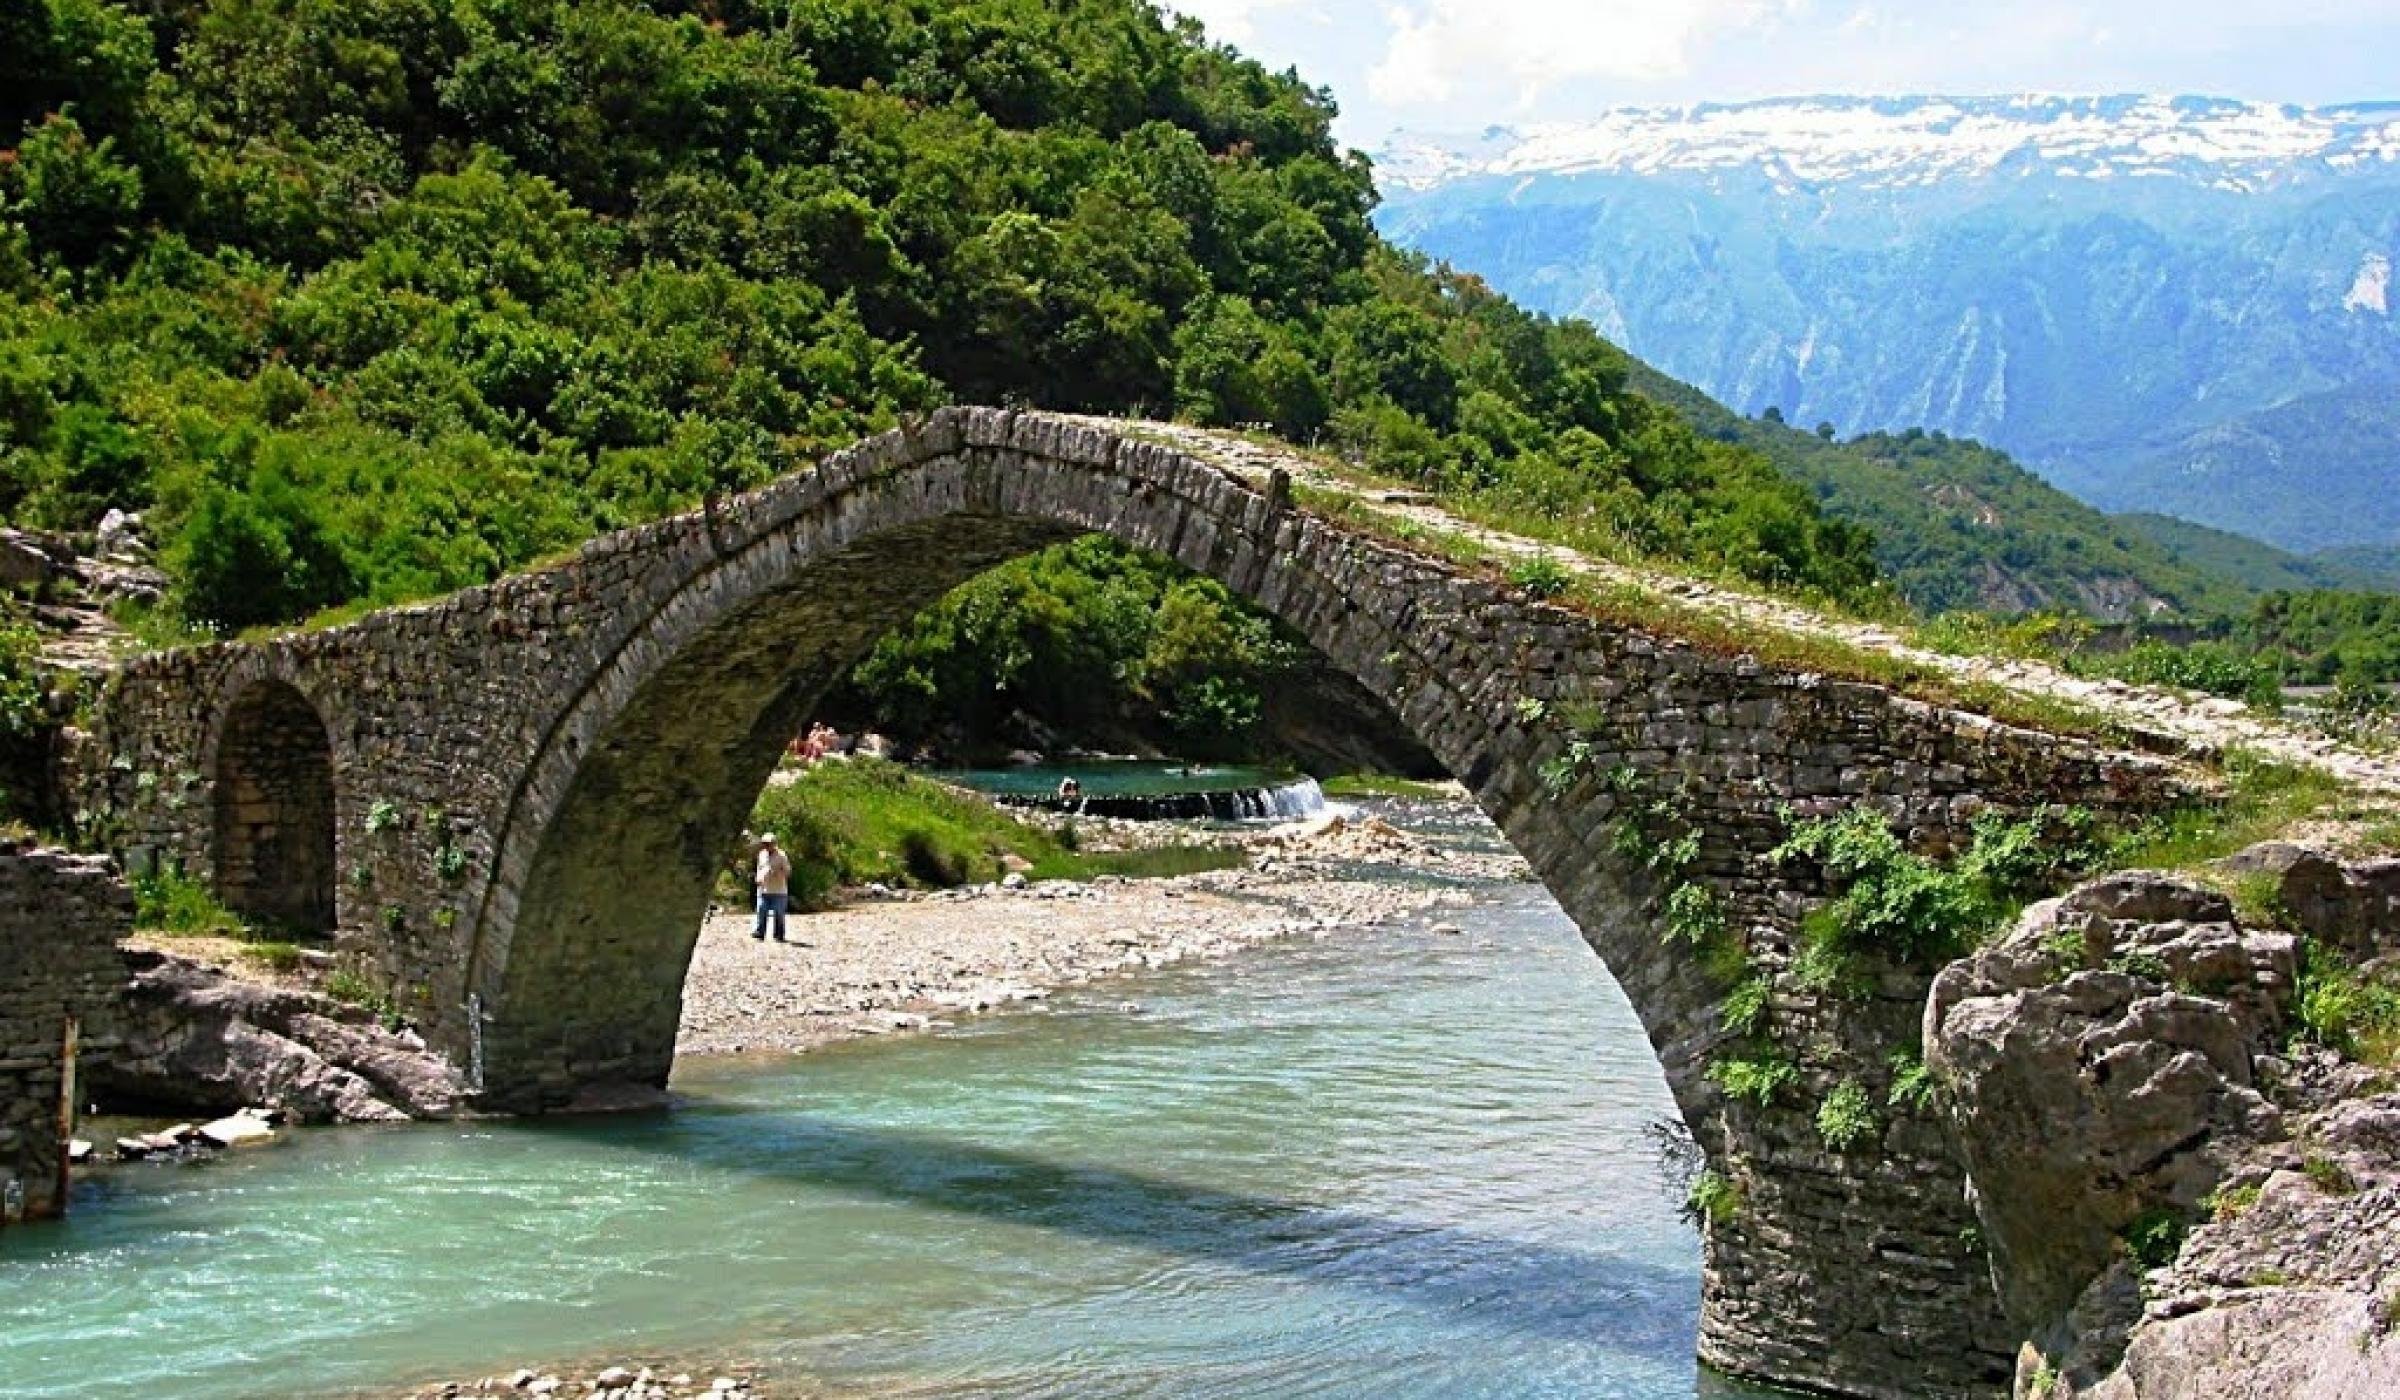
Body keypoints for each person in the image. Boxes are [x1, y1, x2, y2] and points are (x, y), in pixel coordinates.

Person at [753, 832, 792, 942]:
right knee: (761, 910)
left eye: (769, 843)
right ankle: (760, 932)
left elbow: (788, 871)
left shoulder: (782, 855)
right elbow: (759, 868)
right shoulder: (761, 854)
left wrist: (777, 872)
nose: (766, 846)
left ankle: (779, 934)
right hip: (764, 889)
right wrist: (758, 878)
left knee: (779, 914)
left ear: (774, 843)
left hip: (779, 890)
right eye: (764, 843)